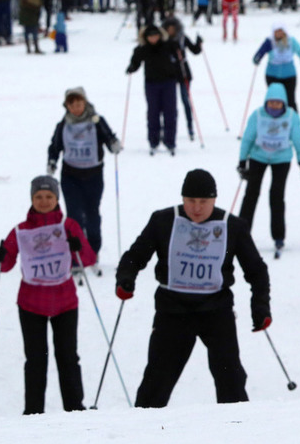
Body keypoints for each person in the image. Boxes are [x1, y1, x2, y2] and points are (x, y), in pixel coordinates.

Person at [114, 169, 271, 407]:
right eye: (190, 201)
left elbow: (257, 271)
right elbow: (134, 256)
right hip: (173, 310)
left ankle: (238, 428)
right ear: (182, 199)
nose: (197, 208)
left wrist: (260, 307)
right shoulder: (164, 221)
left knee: (230, 377)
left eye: (204, 202)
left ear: (214, 200)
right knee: (157, 379)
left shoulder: (232, 226)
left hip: (216, 310)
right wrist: (126, 278)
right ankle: (142, 428)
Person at [0, 175, 97, 414]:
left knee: (68, 357)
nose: (44, 201)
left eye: (49, 196)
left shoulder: (68, 226)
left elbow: (89, 259)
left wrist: (78, 246)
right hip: (31, 304)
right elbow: (3, 265)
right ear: (31, 199)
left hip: (65, 302)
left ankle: (75, 407)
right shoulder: (21, 230)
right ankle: (33, 411)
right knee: (36, 360)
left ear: (57, 198)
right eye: (38, 196)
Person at [47, 87, 122, 266]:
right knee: (74, 217)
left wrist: (114, 145)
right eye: (72, 104)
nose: (76, 107)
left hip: (94, 175)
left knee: (92, 215)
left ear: (85, 102)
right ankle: (75, 253)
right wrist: (52, 161)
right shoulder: (63, 124)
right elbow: (55, 145)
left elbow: (109, 138)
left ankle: (93, 251)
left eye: (79, 103)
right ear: (67, 106)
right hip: (71, 176)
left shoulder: (96, 121)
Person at [237, 83, 300, 255]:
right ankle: (240, 233)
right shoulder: (258, 115)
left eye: (278, 103)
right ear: (266, 102)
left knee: (276, 196)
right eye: (271, 103)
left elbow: (298, 140)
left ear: (284, 103)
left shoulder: (291, 116)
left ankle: (278, 236)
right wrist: (242, 161)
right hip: (258, 157)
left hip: (281, 159)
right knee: (251, 194)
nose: (274, 106)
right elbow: (248, 138)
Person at [126, 24, 182, 155]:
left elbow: (178, 59)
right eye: (150, 36)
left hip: (169, 82)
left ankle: (170, 141)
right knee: (153, 113)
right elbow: (136, 62)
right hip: (151, 84)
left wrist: (179, 74)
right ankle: (153, 141)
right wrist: (131, 67)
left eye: (155, 35)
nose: (153, 38)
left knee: (170, 113)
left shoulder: (168, 46)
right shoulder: (143, 49)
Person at [252, 23, 300, 113]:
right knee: (274, 98)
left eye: (281, 31)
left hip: (289, 75)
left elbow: (299, 50)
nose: (279, 33)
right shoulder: (270, 42)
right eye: (276, 31)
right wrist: (257, 58)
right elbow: (261, 52)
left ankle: (293, 119)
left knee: (290, 99)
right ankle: (272, 118)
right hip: (272, 75)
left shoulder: (291, 41)